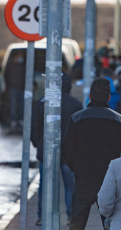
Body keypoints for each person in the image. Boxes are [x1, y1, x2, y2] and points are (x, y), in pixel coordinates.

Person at [62, 77, 121, 230]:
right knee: (111, 223)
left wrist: (76, 168)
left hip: (83, 178)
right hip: (109, 179)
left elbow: (67, 149)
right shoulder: (119, 120)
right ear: (108, 97)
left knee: (77, 223)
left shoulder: (77, 119)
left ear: (90, 96)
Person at [31, 73, 83, 226]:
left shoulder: (42, 103)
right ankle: (70, 216)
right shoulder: (75, 104)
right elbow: (80, 130)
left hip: (45, 153)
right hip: (69, 155)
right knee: (70, 186)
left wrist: (38, 144)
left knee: (44, 185)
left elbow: (34, 127)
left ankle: (42, 215)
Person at [4, 51, 26, 128]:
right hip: (12, 88)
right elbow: (6, 76)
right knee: (13, 105)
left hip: (22, 88)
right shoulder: (10, 66)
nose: (21, 58)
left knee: (22, 105)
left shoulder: (23, 66)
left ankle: (20, 119)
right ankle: (13, 120)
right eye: (20, 56)